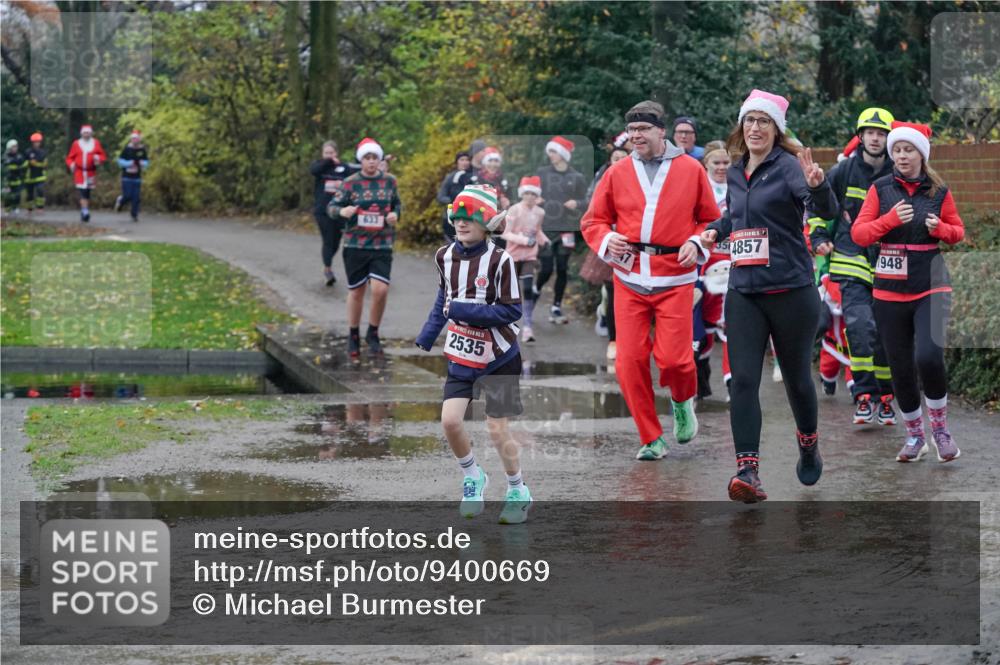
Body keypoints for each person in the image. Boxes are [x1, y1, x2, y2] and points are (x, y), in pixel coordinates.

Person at [701, 89, 838, 502]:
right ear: (741, 128)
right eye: (749, 121)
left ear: (776, 129)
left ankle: (809, 443)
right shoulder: (738, 170)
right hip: (745, 292)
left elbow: (825, 210)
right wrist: (716, 230)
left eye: (764, 121)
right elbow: (738, 215)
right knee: (743, 380)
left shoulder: (790, 168)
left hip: (791, 291)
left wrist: (819, 187)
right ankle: (748, 471)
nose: (755, 128)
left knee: (797, 379)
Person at [583, 100, 720, 461]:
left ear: (662, 131)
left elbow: (711, 220)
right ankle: (650, 437)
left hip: (675, 276)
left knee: (675, 361)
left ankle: (681, 401)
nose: (636, 135)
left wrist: (695, 241)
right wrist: (605, 239)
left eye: (643, 129)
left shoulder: (691, 170)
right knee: (629, 361)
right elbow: (593, 221)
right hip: (629, 277)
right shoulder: (617, 172)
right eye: (632, 130)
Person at [415, 184, 531, 524]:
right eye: (458, 217)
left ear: (488, 224)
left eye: (471, 218)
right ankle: (472, 476)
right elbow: (444, 299)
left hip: (501, 355)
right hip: (462, 354)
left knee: (497, 429)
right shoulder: (443, 256)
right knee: (450, 422)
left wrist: (467, 311)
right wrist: (428, 333)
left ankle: (517, 489)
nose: (462, 223)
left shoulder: (501, 260)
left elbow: (512, 311)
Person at [850, 122, 964, 463]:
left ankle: (941, 432)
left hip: (930, 283)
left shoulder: (938, 191)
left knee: (928, 356)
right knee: (899, 367)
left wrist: (940, 229)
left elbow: (958, 231)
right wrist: (887, 221)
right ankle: (915, 437)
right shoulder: (880, 188)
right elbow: (859, 234)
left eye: (907, 149)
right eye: (896, 150)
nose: (901, 155)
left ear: (921, 154)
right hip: (888, 290)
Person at [809, 107, 897, 426]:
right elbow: (819, 206)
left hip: (890, 265)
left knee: (886, 334)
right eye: (870, 133)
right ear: (860, 137)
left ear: (889, 138)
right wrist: (819, 236)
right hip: (851, 259)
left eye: (881, 133)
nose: (875, 138)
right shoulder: (843, 171)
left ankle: (885, 397)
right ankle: (863, 395)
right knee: (860, 327)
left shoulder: (899, 171)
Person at [327, 138, 401, 359]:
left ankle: (373, 332)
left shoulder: (390, 181)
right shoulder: (350, 182)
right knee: (357, 291)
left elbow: (397, 203)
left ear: (380, 160)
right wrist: (343, 212)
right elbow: (332, 207)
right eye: (367, 158)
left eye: (374, 158)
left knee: (380, 290)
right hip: (355, 244)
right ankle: (353, 334)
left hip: (382, 243)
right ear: (361, 160)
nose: (371, 162)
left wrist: (395, 215)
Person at [536, 136, 589, 325]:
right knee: (547, 267)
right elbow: (528, 193)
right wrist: (535, 199)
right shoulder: (542, 173)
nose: (550, 155)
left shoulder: (577, 177)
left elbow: (588, 201)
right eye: (550, 151)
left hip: (567, 229)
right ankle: (535, 290)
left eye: (554, 152)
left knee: (563, 269)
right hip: (546, 228)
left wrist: (578, 203)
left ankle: (556, 306)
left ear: (563, 154)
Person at [585, 144, 631, 361]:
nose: (619, 160)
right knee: (612, 291)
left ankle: (627, 337)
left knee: (630, 294)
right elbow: (593, 213)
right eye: (615, 157)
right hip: (610, 243)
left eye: (623, 157)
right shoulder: (604, 181)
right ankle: (614, 339)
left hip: (634, 247)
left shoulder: (637, 180)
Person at [501, 176, 549, 342]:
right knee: (510, 292)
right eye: (527, 193)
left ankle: (527, 327)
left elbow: (537, 231)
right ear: (522, 194)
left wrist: (544, 241)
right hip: (513, 255)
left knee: (527, 289)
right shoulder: (514, 209)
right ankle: (506, 324)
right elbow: (505, 233)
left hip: (530, 256)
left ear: (537, 196)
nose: (530, 197)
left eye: (533, 194)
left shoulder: (540, 212)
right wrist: (524, 240)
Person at [310, 140, 356, 286]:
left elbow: (357, 174)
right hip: (323, 211)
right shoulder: (319, 167)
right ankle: (328, 270)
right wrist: (328, 161)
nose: (329, 156)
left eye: (331, 153)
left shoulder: (344, 168)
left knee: (336, 241)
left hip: (340, 211)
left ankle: (328, 265)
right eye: (326, 153)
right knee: (328, 239)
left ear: (337, 153)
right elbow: (314, 170)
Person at [65, 125, 107, 223]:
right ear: (81, 133)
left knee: (87, 192)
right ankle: (85, 211)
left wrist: (98, 159)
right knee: (82, 192)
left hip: (90, 172)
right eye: (84, 133)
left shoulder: (95, 143)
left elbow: (103, 156)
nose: (86, 134)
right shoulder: (76, 144)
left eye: (88, 133)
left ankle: (84, 210)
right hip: (79, 172)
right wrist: (71, 164)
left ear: (91, 133)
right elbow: (70, 157)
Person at [437, 151, 474, 242]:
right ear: (457, 162)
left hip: (470, 218)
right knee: (453, 249)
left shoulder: (474, 177)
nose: (465, 162)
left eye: (467, 160)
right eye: (462, 160)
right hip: (451, 218)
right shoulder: (450, 177)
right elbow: (440, 197)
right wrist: (454, 201)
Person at [114, 130, 149, 223]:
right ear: (131, 139)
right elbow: (120, 161)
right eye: (133, 138)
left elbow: (146, 162)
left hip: (137, 177)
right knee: (128, 195)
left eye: (136, 138)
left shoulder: (142, 150)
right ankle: (121, 201)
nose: (135, 140)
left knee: (136, 197)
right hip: (126, 177)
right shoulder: (127, 149)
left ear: (139, 139)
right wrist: (129, 163)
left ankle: (134, 215)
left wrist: (143, 164)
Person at [24, 133, 47, 214]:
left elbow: (44, 164)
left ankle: (40, 208)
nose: (36, 143)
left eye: (38, 142)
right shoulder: (27, 152)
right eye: (35, 142)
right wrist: (29, 163)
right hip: (29, 176)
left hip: (40, 175)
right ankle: (29, 209)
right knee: (29, 194)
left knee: (40, 191)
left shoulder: (43, 152)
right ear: (32, 142)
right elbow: (24, 163)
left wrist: (36, 164)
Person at [2, 139, 25, 215]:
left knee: (17, 195)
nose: (15, 148)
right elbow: (3, 169)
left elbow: (22, 167)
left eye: (16, 146)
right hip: (7, 181)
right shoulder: (5, 157)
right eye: (13, 147)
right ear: (9, 147)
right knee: (8, 196)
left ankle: (15, 208)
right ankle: (7, 210)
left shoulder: (19, 156)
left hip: (17, 180)